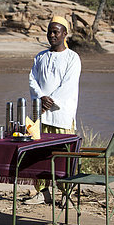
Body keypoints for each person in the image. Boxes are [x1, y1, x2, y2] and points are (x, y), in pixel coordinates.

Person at [25, 15, 81, 204]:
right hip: (40, 113)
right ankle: (42, 191)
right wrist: (41, 97)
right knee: (39, 154)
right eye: (49, 31)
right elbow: (32, 79)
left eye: (56, 31)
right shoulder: (40, 57)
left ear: (65, 34)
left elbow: (69, 85)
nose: (52, 35)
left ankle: (66, 194)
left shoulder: (73, 58)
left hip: (61, 115)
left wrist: (51, 100)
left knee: (64, 155)